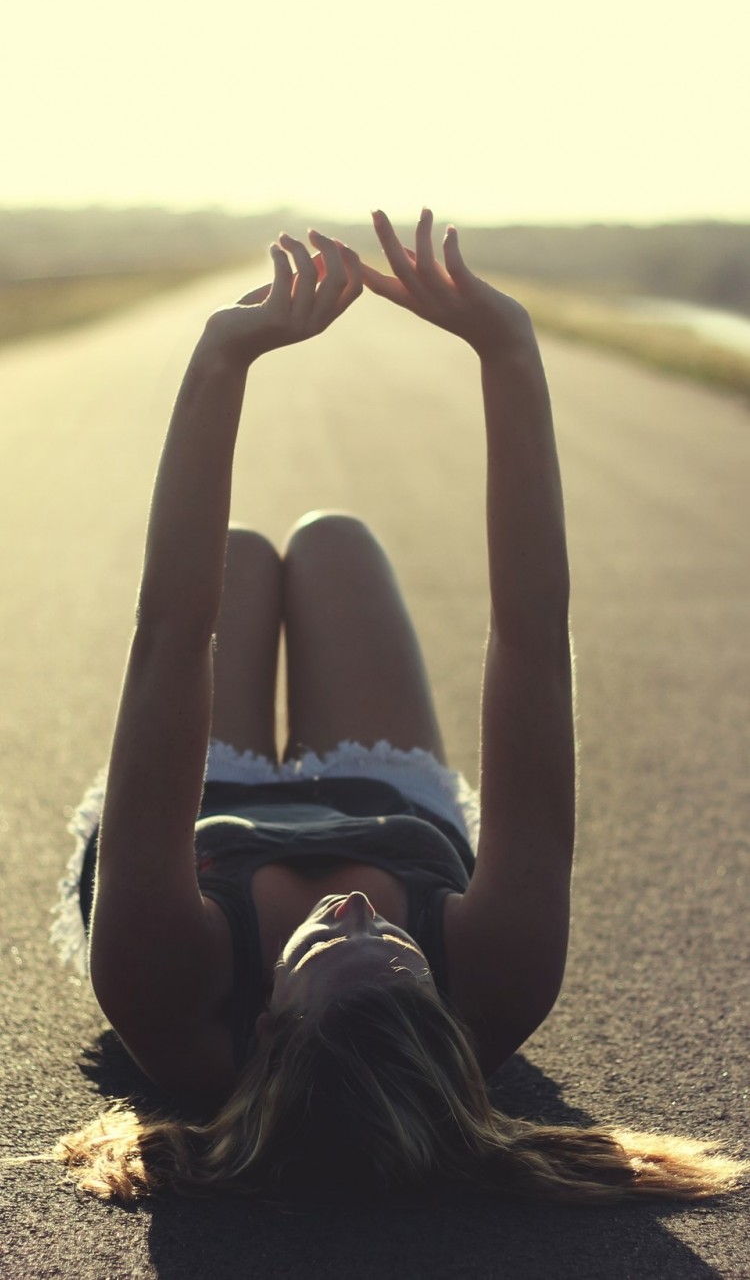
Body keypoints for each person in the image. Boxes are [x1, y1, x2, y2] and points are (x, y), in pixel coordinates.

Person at [44, 211, 744, 1204]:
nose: (365, 913)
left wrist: (222, 357)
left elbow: (170, 636)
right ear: (444, 1016)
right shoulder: (499, 976)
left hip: (196, 828)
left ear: (266, 1025)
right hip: (389, 809)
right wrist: (508, 349)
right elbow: (532, 642)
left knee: (234, 559)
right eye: (403, 955)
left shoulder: (163, 982)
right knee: (334, 540)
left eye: (335, 942)